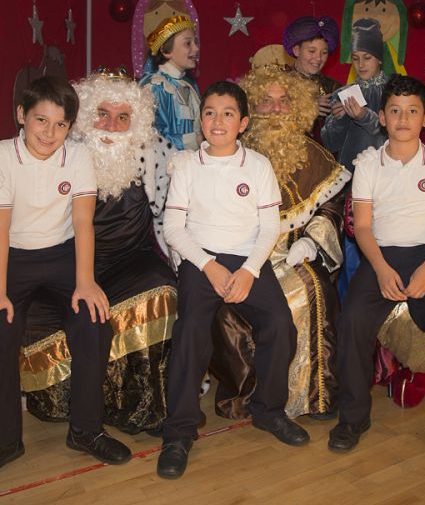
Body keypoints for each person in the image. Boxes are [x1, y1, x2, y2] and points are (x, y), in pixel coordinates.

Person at [157, 81, 308, 480]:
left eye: (228, 114)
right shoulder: (186, 165)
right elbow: (173, 228)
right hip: (200, 260)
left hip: (247, 260)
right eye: (209, 112)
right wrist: (208, 266)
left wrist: (248, 271)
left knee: (280, 324)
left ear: (243, 123)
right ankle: (179, 431)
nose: (217, 121)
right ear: (201, 119)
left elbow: (269, 227)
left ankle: (269, 411)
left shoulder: (257, 165)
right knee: (190, 330)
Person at [330, 75, 425, 467]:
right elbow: (363, 228)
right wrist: (380, 269)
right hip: (381, 256)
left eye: (412, 111)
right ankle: (352, 417)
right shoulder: (368, 165)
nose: (403, 118)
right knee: (352, 322)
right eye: (395, 111)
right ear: (382, 117)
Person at [21, 70, 177, 435]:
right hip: (72, 263)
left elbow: (166, 217)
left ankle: (145, 406)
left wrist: (179, 264)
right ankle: (83, 404)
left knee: (162, 288)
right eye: (102, 114)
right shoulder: (61, 154)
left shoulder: (153, 153)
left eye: (123, 118)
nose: (111, 127)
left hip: (130, 260)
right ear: (86, 116)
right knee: (37, 314)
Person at [0, 76, 131, 470]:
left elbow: (82, 222)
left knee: (94, 322)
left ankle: (86, 430)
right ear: (21, 115)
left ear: (70, 127)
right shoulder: (4, 156)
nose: (49, 133)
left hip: (62, 254)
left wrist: (85, 282)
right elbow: (1, 229)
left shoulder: (77, 156)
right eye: (41, 120)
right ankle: (7, 440)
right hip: (13, 254)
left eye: (60, 124)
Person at [211, 65, 350, 420]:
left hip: (292, 253)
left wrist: (313, 242)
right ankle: (247, 396)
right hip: (240, 255)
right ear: (250, 110)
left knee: (314, 288)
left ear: (296, 106)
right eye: (266, 101)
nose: (275, 109)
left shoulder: (314, 154)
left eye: (284, 101)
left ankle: (313, 397)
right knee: (225, 305)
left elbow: (331, 206)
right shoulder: (231, 152)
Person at [321, 17, 388, 174]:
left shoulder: (394, 90)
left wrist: (365, 116)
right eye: (355, 58)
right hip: (351, 176)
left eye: (367, 57)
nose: (361, 65)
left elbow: (398, 132)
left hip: (387, 173)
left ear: (379, 59)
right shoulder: (342, 94)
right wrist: (339, 121)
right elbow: (330, 145)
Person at [140, 15, 201, 151]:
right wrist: (195, 140)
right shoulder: (157, 87)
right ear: (166, 51)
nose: (196, 48)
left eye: (195, 42)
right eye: (188, 43)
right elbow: (153, 137)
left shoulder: (189, 85)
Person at [282, 16, 341, 141]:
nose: (318, 58)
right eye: (312, 51)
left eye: (324, 53)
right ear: (296, 50)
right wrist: (308, 110)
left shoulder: (333, 88)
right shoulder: (279, 83)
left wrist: (344, 117)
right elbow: (270, 123)